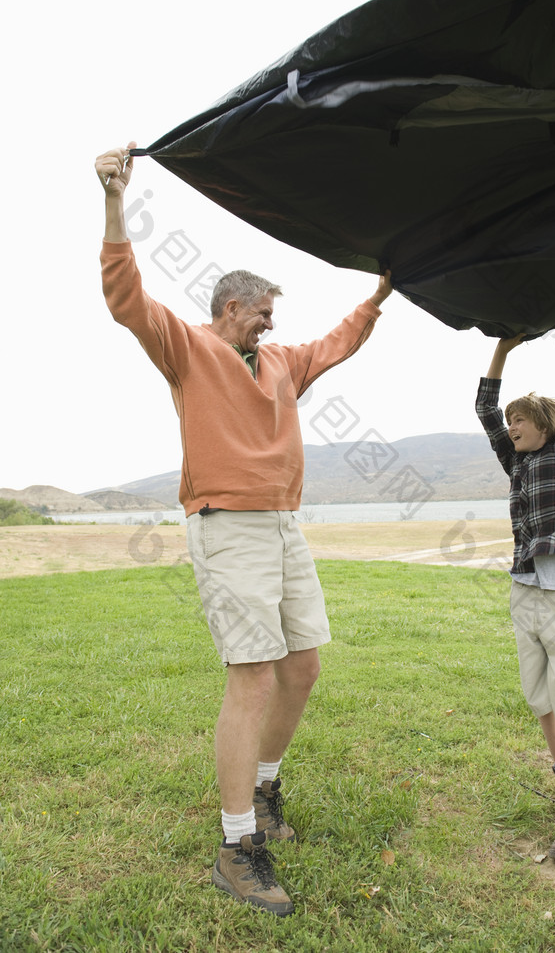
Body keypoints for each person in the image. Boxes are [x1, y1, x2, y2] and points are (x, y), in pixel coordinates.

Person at [95, 143, 393, 915]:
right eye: (262, 311)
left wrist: (385, 288)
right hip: (227, 527)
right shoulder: (187, 348)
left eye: (274, 315)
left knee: (303, 669)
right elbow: (127, 298)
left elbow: (341, 339)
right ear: (230, 307)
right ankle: (237, 848)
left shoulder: (284, 361)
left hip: (284, 527)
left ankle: (264, 792)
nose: (271, 322)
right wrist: (115, 200)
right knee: (253, 675)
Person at [475, 328, 555, 864]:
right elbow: (483, 407)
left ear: (544, 422)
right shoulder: (518, 463)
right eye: (509, 423)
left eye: (519, 419)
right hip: (524, 588)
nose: (510, 427)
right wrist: (503, 347)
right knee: (542, 700)